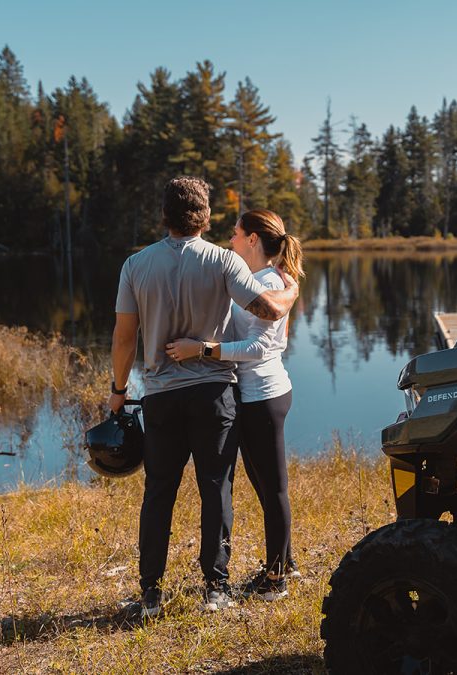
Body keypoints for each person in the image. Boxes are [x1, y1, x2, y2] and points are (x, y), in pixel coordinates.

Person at [109, 177, 298, 619]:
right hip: (214, 395)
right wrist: (288, 288)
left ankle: (151, 594)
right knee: (216, 488)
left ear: (164, 215)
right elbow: (269, 311)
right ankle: (216, 589)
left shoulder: (135, 266)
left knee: (158, 493)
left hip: (159, 395)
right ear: (205, 216)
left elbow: (123, 339)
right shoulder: (224, 261)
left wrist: (119, 392)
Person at [166, 209, 303, 602]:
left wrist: (204, 350)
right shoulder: (264, 280)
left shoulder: (270, 282)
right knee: (262, 485)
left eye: (237, 233)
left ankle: (276, 580)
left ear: (254, 240)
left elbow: (263, 346)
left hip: (264, 395)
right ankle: (285, 561)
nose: (230, 240)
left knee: (273, 488)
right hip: (251, 393)